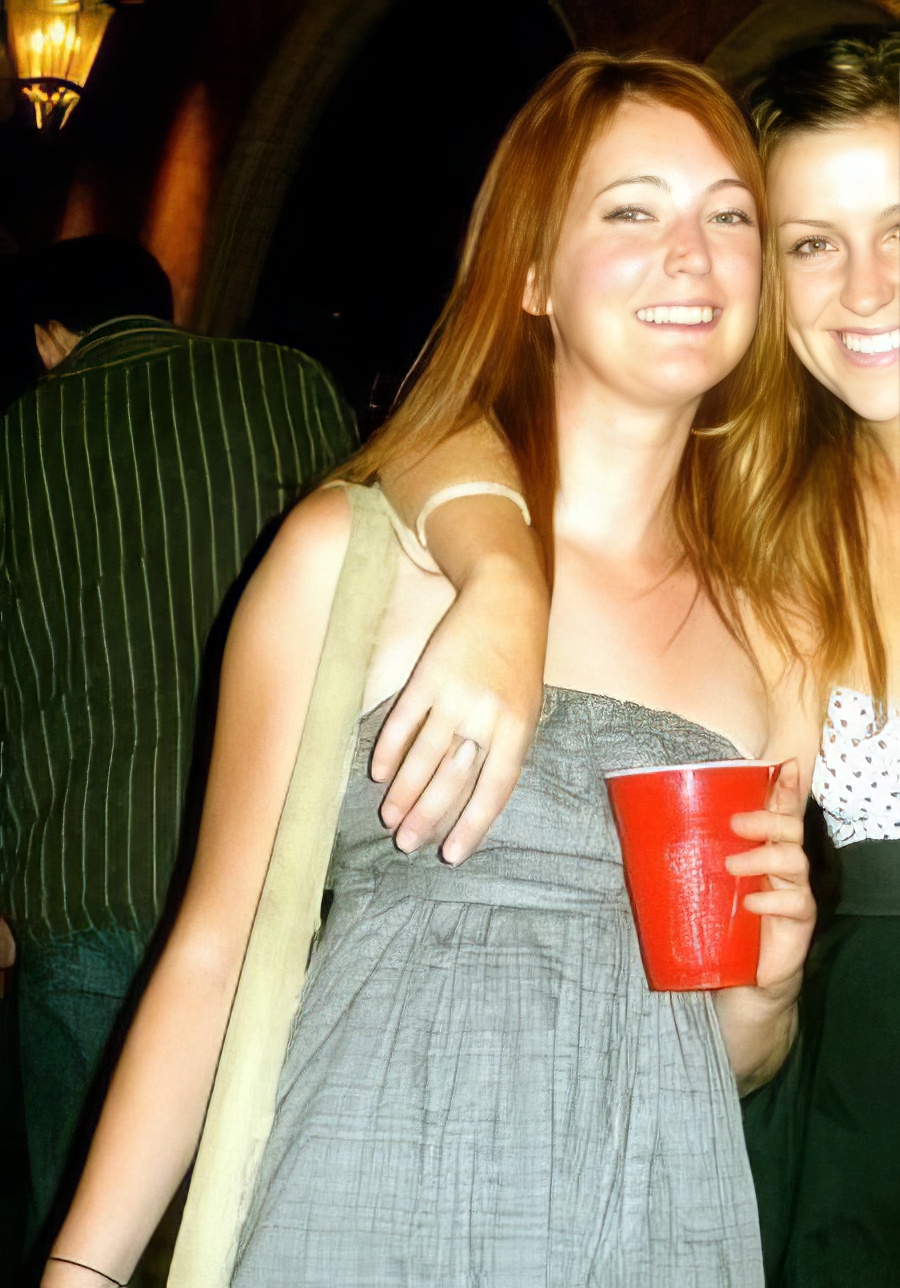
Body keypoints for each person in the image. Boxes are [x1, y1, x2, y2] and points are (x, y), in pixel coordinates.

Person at [42, 53, 818, 1288]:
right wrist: (81, 1272)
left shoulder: (776, 629)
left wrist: (767, 995)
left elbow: (712, 1042)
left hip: (654, 1226)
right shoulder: (352, 558)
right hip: (366, 1193)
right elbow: (217, 948)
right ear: (529, 274)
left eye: (732, 214)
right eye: (633, 210)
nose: (697, 252)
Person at [367, 29, 900, 1288]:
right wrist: (501, 571)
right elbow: (443, 439)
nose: (864, 289)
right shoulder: (764, 519)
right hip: (843, 1136)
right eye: (810, 243)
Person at [0, 233, 358, 1277]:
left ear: (48, 339)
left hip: (82, 871)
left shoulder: (17, 440)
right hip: (288, 874)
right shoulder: (285, 384)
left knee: (86, 1214)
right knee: (273, 1220)